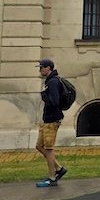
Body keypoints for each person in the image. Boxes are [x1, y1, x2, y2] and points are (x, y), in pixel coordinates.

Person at [36, 58, 69, 186]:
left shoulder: (54, 82)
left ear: (48, 68)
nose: (40, 70)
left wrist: (44, 96)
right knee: (39, 146)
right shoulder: (50, 81)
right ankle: (59, 169)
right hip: (47, 119)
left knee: (49, 149)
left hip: (52, 120)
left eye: (41, 67)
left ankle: (52, 178)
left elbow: (55, 102)